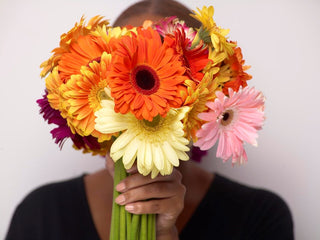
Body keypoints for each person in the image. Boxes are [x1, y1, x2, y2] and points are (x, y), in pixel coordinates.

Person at [5, 0, 294, 239]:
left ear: (209, 91)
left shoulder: (259, 216)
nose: (142, 102)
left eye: (171, 71)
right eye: (122, 69)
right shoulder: (39, 214)